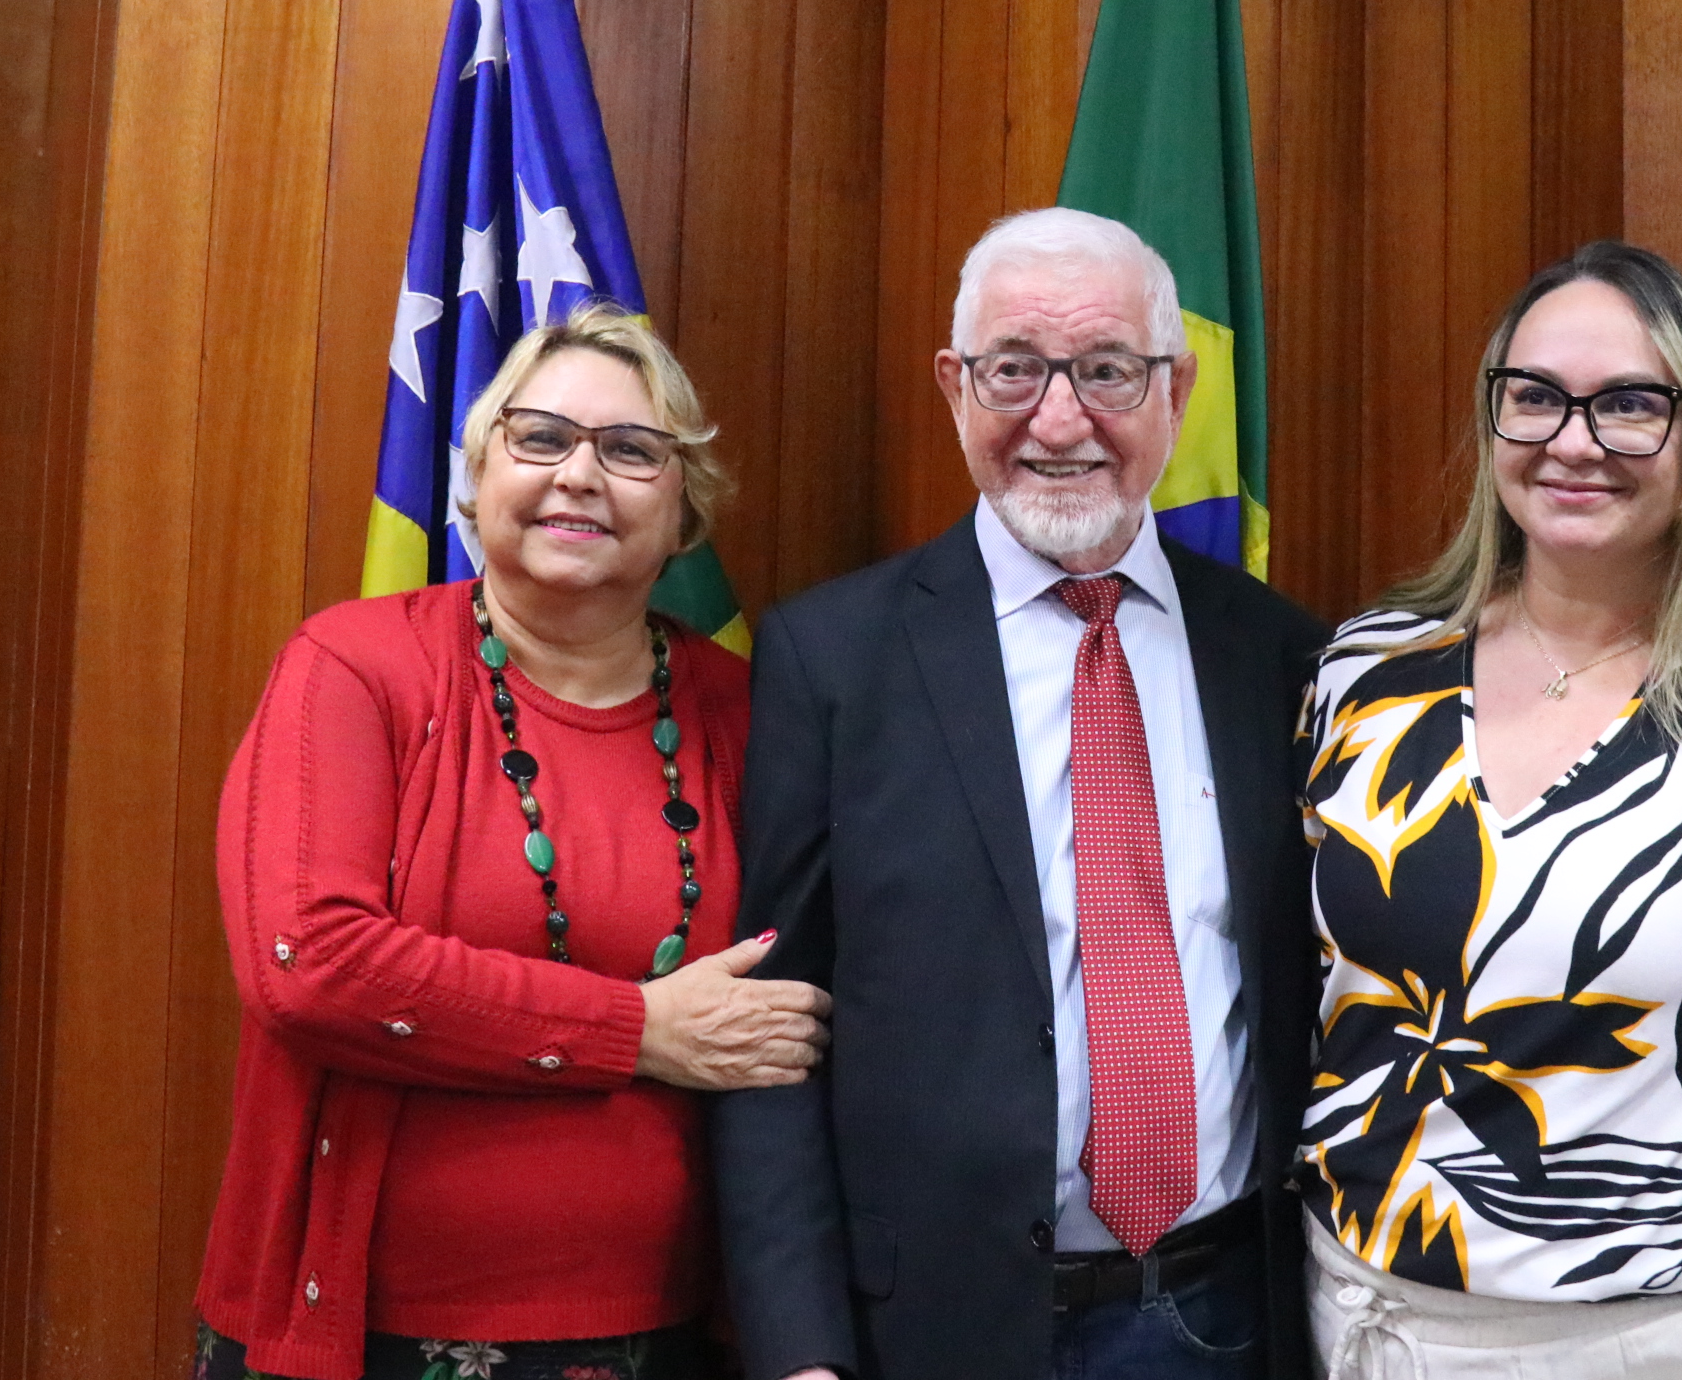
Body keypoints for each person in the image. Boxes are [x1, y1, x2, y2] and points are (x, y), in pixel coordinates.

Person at [716, 208, 1327, 1380]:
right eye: (1015, 369)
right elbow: (771, 1027)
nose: (1058, 418)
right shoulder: (833, 659)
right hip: (934, 1325)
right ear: (955, 385)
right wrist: (799, 1352)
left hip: (1226, 1312)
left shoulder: (1280, 655)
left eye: (1106, 370)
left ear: (1175, 390)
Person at [1295, 239, 1682, 1378]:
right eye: (1535, 397)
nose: (1573, 441)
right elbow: (1307, 986)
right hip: (1371, 1318)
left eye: (1629, 404)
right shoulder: (1364, 675)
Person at [193, 302, 831, 1380]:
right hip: (366, 1338)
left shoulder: (750, 712)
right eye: (541, 438)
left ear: (685, 510)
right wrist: (637, 1031)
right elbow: (311, 964)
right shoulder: (353, 667)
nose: (580, 475)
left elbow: (790, 1017)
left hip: (671, 1333)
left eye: (632, 450)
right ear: (478, 473)